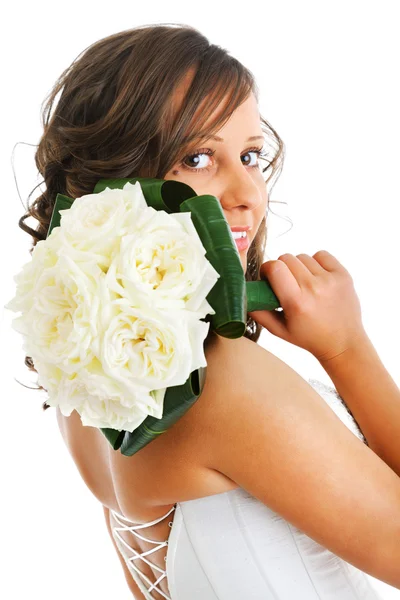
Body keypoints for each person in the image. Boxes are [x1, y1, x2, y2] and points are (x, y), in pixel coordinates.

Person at [16, 23, 400, 600]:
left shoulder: (96, 375)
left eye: (250, 155)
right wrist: (347, 348)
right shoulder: (218, 381)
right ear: (114, 183)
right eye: (196, 158)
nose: (247, 191)